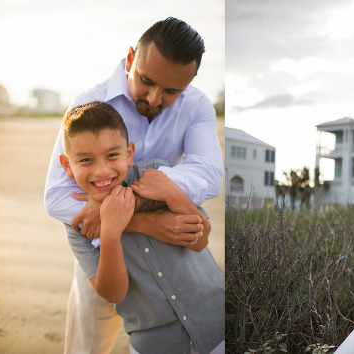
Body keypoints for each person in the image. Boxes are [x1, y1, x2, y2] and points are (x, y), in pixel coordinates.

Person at [44, 17, 223, 353]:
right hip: (101, 249)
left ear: (191, 81)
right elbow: (55, 197)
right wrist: (144, 221)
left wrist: (161, 188)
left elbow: (209, 175)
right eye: (146, 80)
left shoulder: (197, 105)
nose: (154, 98)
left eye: (172, 91)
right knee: (87, 345)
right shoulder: (87, 105)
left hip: (172, 252)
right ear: (130, 59)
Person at [58, 101, 223, 354]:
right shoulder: (80, 225)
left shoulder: (156, 173)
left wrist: (172, 193)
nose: (102, 170)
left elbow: (201, 240)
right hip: (153, 342)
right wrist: (111, 232)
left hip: (216, 322)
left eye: (112, 155)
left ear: (129, 153)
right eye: (86, 160)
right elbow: (114, 293)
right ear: (67, 165)